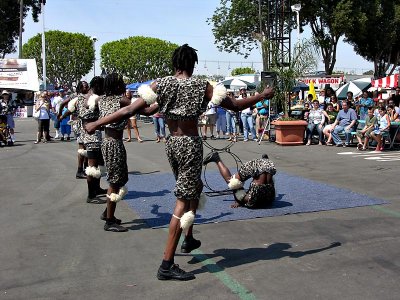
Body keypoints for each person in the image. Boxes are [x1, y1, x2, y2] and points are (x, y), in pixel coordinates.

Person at [84, 44, 274, 281]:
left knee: (194, 190)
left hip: (172, 146)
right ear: (192, 65)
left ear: (174, 64)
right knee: (183, 201)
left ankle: (189, 238)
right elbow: (235, 106)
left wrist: (96, 124)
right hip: (190, 146)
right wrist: (262, 96)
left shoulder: (161, 84)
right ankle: (166, 264)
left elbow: (129, 111)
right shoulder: (202, 85)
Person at [60, 77, 107, 204]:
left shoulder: (81, 98)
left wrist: (60, 116)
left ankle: (96, 189)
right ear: (97, 86)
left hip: (93, 133)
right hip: (91, 135)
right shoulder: (91, 98)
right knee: (92, 166)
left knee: (97, 164)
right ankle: (91, 195)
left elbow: (68, 108)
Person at [203, 152, 276, 208]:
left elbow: (236, 184)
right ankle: (265, 160)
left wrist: (238, 200)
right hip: (268, 196)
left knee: (232, 181)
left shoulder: (252, 200)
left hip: (261, 196)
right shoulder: (266, 199)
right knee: (264, 179)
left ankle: (216, 159)